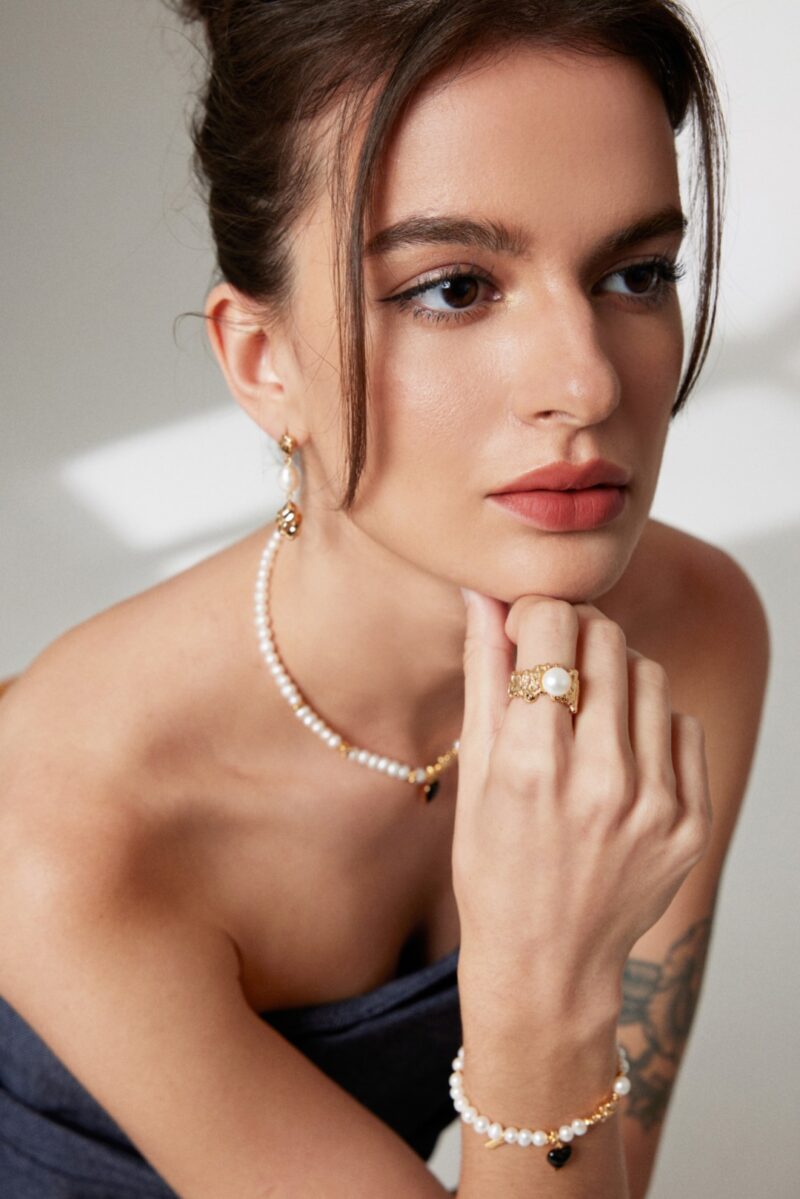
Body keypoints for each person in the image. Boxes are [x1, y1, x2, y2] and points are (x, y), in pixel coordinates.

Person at [0, 1, 770, 1197]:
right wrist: (541, 993)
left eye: (635, 272)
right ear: (264, 363)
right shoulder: (61, 808)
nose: (581, 381)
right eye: (454, 288)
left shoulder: (691, 624)